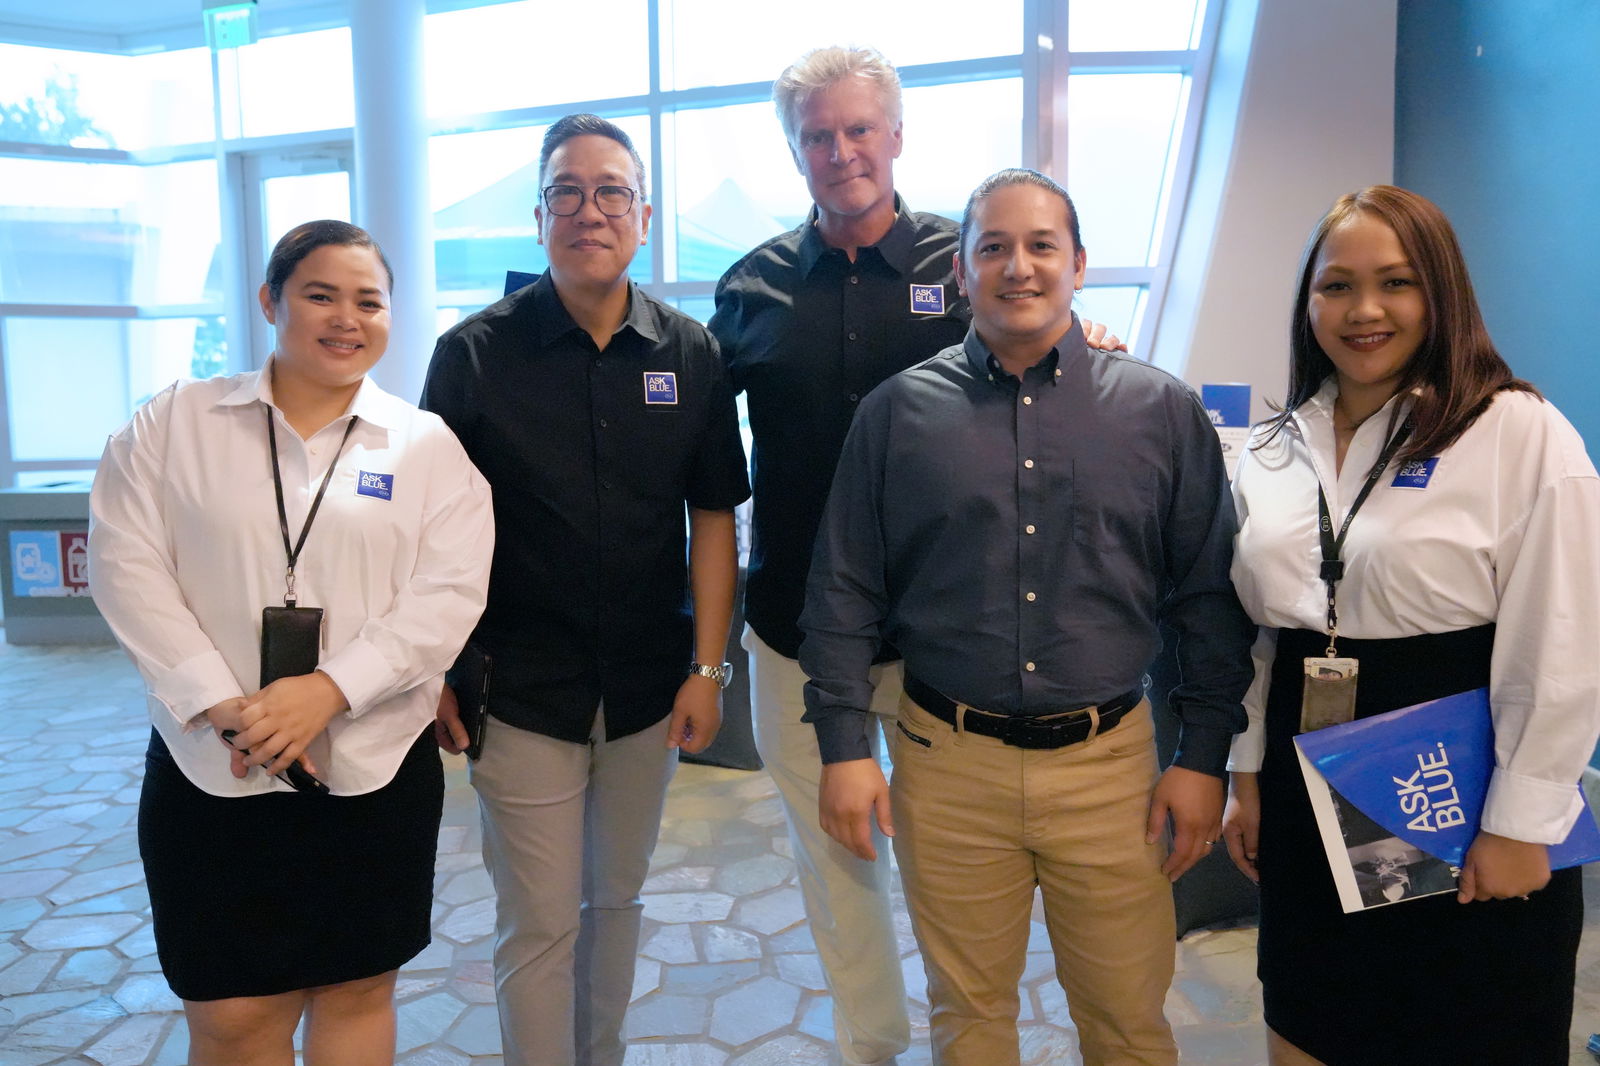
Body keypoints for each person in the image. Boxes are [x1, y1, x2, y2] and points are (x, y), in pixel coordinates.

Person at [710, 48, 1118, 1064]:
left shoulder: (966, 260)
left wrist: (1088, 341)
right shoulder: (750, 287)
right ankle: (870, 1044)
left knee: (951, 872)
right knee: (834, 863)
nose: (840, 151)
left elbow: (1042, 352)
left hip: (952, 637)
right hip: (799, 632)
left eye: (858, 129)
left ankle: (964, 1037)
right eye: (816, 133)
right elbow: (703, 467)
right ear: (793, 147)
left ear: (894, 135)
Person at [800, 168, 1254, 1066]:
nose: (1019, 266)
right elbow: (843, 590)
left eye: (1042, 245)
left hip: (1112, 770)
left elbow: (1208, 598)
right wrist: (845, 747)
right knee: (968, 1022)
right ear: (962, 272)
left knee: (1128, 1024)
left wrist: (1204, 758)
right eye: (993, 247)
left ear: (1079, 264)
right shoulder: (898, 415)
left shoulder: (1159, 411)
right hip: (946, 765)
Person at [88, 220, 495, 1066]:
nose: (347, 318)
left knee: (355, 993)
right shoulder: (175, 423)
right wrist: (224, 703)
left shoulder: (427, 448)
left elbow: (447, 597)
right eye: (321, 294)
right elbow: (128, 566)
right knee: (233, 1014)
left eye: (369, 301)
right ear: (271, 301)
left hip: (373, 763)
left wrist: (328, 690)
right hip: (212, 763)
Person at [1220, 184, 1600, 1066]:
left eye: (1396, 282)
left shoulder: (1519, 433)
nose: (1364, 311)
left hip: (1457, 784)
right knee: (1311, 1019)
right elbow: (1253, 632)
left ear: (1443, 293)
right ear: (1307, 300)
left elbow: (1564, 644)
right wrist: (1247, 772)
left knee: (1468, 1025)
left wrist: (1521, 822)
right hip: (1308, 769)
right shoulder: (1277, 444)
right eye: (1336, 285)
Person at [421, 114, 749, 1066]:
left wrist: (708, 670)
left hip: (650, 687)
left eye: (611, 192)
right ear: (538, 216)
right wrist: (439, 666)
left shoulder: (689, 354)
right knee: (539, 920)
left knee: (616, 902)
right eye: (567, 190)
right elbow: (431, 534)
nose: (589, 210)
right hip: (520, 687)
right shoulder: (474, 355)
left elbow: (715, 519)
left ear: (642, 217)